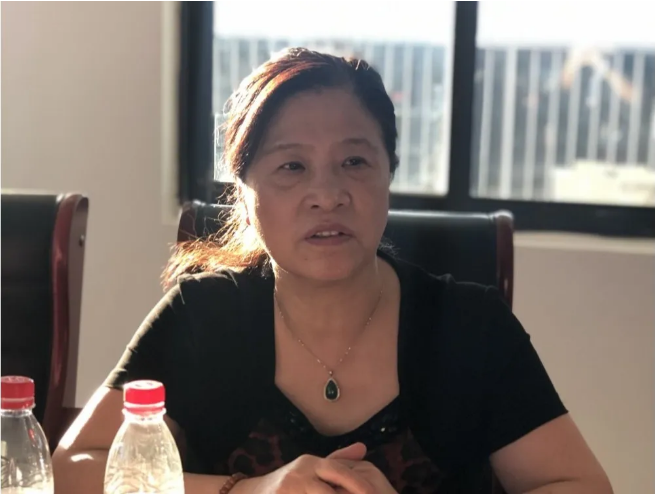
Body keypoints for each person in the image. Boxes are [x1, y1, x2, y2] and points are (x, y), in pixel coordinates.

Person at [53, 48, 613, 494]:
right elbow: (72, 468)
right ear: (245, 194)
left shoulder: (470, 327)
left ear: (389, 173)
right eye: (292, 166)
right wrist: (249, 490)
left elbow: (581, 485)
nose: (327, 194)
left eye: (354, 161)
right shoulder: (201, 316)